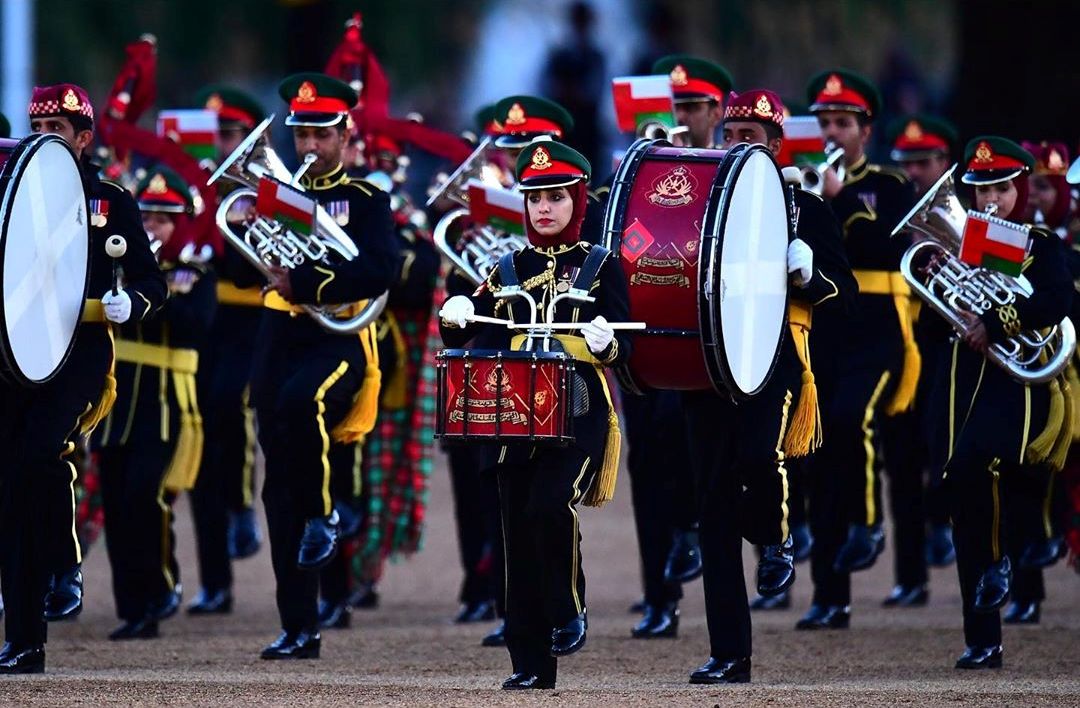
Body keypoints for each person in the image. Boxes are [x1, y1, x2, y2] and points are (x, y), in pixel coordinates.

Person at [440, 138, 630, 690]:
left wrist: (608, 343)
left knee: (549, 503)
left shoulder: (601, 265)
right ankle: (529, 662)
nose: (544, 208)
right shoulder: (506, 267)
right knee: (515, 532)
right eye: (535, 199)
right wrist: (456, 313)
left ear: (578, 200)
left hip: (577, 405)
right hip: (514, 410)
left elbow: (628, 346)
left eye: (556, 197)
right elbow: (468, 327)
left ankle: (569, 609)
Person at [683, 89, 856, 685]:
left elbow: (845, 294)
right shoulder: (700, 204)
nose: (736, 146)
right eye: (728, 136)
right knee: (711, 509)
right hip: (709, 362)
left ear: (776, 145)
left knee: (760, 455)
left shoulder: (806, 209)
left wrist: (809, 276)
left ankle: (777, 537)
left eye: (749, 138)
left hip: (775, 355)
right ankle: (729, 653)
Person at [0, 84, 166, 673]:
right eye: (37, 130)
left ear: (83, 138)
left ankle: (64, 564)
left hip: (79, 350)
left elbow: (153, 282)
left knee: (43, 452)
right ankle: (25, 640)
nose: (43, 140)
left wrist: (129, 303)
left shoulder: (111, 200)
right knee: (10, 489)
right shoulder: (8, 192)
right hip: (13, 355)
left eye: (57, 132)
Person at [251, 72, 397, 660]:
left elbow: (380, 269)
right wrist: (251, 235)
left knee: (303, 401)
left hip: (337, 337)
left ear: (344, 134)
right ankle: (299, 627)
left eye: (321, 134)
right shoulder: (276, 195)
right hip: (277, 335)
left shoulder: (366, 200)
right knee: (277, 487)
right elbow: (240, 268)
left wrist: (307, 281)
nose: (309, 145)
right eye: (301, 135)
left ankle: (325, 514)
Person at [934, 137, 1073, 668]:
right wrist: (939, 277)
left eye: (1001, 189)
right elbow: (937, 317)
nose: (990, 200)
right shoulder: (960, 243)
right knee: (959, 493)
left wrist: (996, 322)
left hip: (1016, 383)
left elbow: (1059, 300)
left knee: (983, 465)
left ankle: (1009, 559)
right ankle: (982, 639)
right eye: (981, 191)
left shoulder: (1040, 244)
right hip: (960, 380)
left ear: (1020, 190)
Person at [798, 70, 917, 630]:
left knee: (851, 417)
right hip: (824, 330)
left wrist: (839, 199)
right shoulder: (798, 185)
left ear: (865, 130)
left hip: (876, 331)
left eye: (842, 123)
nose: (831, 133)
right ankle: (829, 595)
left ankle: (870, 525)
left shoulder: (890, 185)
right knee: (819, 459)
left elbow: (886, 247)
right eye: (823, 122)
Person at [93, 166, 217, 640]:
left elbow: (195, 327)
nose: (152, 228)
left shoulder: (192, 274)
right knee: (116, 502)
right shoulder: (111, 267)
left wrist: (146, 298)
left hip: (164, 403)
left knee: (146, 495)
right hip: (116, 403)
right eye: (145, 218)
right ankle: (132, 607)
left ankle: (161, 587)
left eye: (163, 220)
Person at [186, 84, 268, 616]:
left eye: (229, 133)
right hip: (198, 320)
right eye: (212, 134)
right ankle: (214, 581)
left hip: (248, 319)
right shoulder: (193, 188)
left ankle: (241, 506)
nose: (219, 144)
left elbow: (256, 269)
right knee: (197, 441)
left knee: (227, 403)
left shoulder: (262, 193)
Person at [881, 113, 961, 606]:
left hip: (945, 349)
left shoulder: (964, 220)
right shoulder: (892, 212)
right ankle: (909, 576)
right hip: (899, 347)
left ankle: (943, 526)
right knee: (901, 462)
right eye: (907, 162)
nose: (913, 172)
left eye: (924, 162)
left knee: (946, 453)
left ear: (944, 161)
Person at [652, 54, 732, 149]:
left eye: (691, 108)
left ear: (716, 113)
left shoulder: (725, 159)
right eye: (670, 108)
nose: (679, 116)